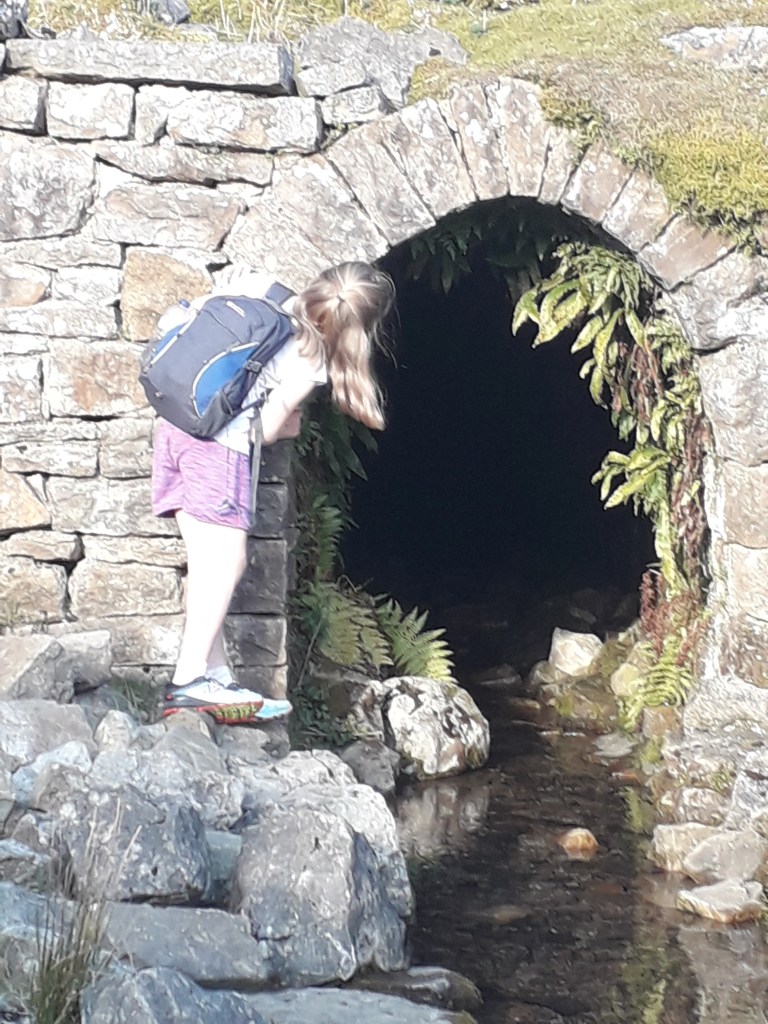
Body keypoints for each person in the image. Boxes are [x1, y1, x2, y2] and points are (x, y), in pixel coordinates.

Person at [151, 261, 395, 724]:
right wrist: (287, 425)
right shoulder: (311, 354)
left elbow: (182, 322)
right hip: (218, 448)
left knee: (205, 564)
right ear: (362, 329)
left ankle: (215, 675)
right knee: (228, 562)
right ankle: (188, 680)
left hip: (173, 425)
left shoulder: (257, 286)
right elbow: (262, 430)